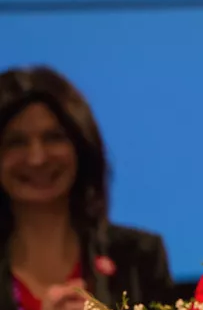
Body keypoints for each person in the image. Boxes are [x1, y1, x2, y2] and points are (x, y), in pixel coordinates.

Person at [0, 66, 174, 310]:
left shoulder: (138, 257)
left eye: (53, 137)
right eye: (15, 142)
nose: (37, 158)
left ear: (81, 146)